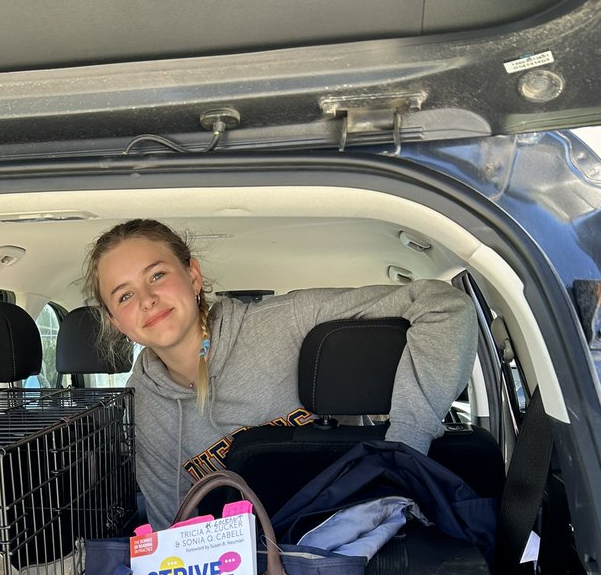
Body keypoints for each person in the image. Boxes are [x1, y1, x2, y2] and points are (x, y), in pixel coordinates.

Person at [84, 219, 478, 529]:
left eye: (156, 275)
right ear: (117, 321)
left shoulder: (287, 323)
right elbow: (172, 524)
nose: (148, 299)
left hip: (361, 528)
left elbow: (444, 305)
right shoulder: (144, 402)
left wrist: (406, 443)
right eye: (125, 295)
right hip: (246, 574)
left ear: (193, 276)